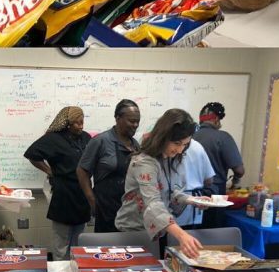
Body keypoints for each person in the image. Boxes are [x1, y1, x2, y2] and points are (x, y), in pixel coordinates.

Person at [114, 108, 204, 258]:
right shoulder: (144, 162)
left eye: (185, 144)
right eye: (177, 143)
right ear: (163, 137)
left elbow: (169, 192)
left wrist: (192, 200)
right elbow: (153, 203)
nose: (180, 150)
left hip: (158, 228)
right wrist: (181, 235)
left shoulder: (166, 158)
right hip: (133, 231)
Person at [24, 105, 92, 259]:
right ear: (67, 124)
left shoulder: (86, 137)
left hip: (82, 194)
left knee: (78, 244)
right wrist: (49, 171)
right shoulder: (53, 139)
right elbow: (32, 154)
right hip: (63, 194)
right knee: (61, 246)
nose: (81, 126)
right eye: (77, 123)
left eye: (82, 122)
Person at [77, 99, 140, 232]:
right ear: (118, 118)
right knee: (108, 249)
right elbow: (82, 171)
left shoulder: (136, 145)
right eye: (131, 121)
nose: (135, 125)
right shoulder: (101, 141)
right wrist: (91, 199)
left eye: (137, 121)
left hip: (129, 209)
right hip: (105, 207)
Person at [193, 101, 244, 228]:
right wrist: (235, 182)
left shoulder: (189, 137)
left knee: (192, 233)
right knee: (212, 235)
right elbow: (239, 170)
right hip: (215, 197)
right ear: (216, 119)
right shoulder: (223, 137)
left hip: (190, 195)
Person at [175, 136, 216, 230]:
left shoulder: (170, 147)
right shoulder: (198, 146)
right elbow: (209, 180)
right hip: (192, 203)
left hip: (185, 202)